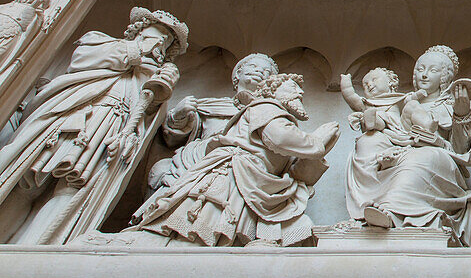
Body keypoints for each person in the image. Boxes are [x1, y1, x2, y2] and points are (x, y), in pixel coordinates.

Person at [0, 7, 187, 244]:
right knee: (29, 182)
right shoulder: (99, 42)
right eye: (156, 33)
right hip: (73, 119)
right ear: (137, 31)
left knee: (72, 191)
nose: (160, 41)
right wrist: (137, 52)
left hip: (110, 131)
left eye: (166, 41)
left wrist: (159, 95)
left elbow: (146, 115)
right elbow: (83, 60)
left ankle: (38, 247)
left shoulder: (152, 73)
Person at [128, 72, 340, 246]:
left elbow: (295, 172)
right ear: (274, 90)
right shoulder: (266, 107)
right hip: (234, 174)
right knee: (200, 227)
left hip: (252, 179)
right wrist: (316, 142)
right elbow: (280, 138)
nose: (301, 92)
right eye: (293, 88)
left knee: (221, 232)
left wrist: (321, 151)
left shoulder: (281, 120)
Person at [344, 47, 471, 245]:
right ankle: (369, 209)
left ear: (445, 78)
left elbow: (461, 152)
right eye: (420, 69)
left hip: (435, 155)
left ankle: (390, 212)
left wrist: (461, 115)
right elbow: (391, 127)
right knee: (368, 141)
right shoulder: (403, 102)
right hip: (402, 147)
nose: (424, 74)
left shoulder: (451, 105)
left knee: (421, 158)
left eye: (432, 70)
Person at [146, 53, 279, 198]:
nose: (259, 71)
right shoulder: (211, 105)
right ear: (237, 74)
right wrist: (178, 115)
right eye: (253, 66)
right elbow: (173, 138)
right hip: (198, 159)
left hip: (239, 166)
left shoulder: (270, 114)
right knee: (161, 170)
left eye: (266, 72)